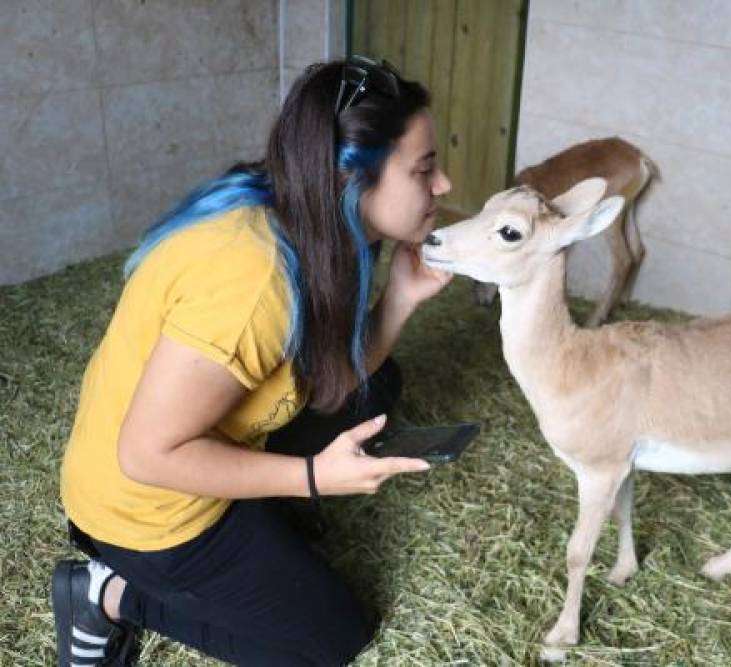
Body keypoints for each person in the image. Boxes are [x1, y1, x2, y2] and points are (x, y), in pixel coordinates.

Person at [51, 56, 453, 666]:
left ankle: (269, 515)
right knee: (328, 639)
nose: (443, 185)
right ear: (351, 180)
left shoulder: (309, 215)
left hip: (188, 449)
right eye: (425, 170)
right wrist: (314, 478)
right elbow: (147, 454)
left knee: (375, 384)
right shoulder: (253, 276)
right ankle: (107, 594)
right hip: (146, 509)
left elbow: (328, 373)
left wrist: (399, 300)